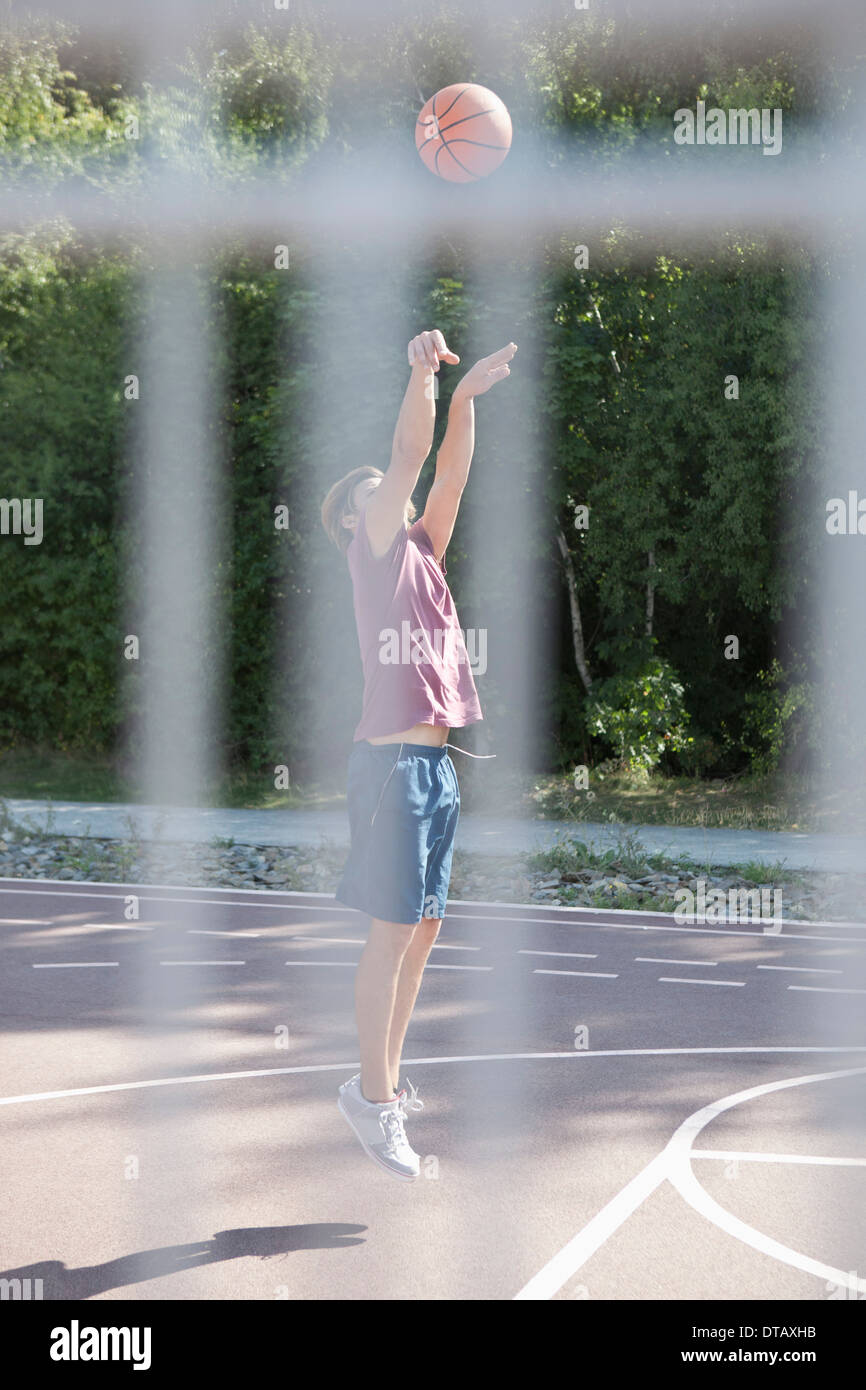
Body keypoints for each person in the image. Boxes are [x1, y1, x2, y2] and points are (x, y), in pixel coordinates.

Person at [320, 328, 517, 1179]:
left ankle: (384, 1085)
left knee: (423, 933)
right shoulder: (372, 555)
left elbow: (448, 474)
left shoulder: (422, 551)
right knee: (390, 935)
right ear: (351, 524)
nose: (386, 490)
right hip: (393, 767)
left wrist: (465, 400)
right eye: (371, 492)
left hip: (435, 769)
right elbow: (408, 452)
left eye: (385, 491)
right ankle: (372, 1100)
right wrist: (420, 375)